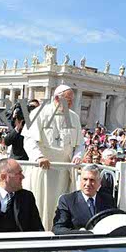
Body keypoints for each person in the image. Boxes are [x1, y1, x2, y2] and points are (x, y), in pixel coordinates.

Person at [23, 85, 84, 228]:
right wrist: (38, 157)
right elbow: (29, 140)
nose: (71, 104)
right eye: (68, 100)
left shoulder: (73, 117)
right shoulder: (39, 113)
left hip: (64, 171)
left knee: (61, 206)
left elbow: (80, 144)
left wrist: (78, 155)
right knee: (42, 205)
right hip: (44, 169)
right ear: (57, 98)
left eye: (72, 100)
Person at [52, 164, 116, 234]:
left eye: (92, 180)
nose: (88, 184)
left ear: (99, 182)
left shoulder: (108, 200)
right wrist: (82, 233)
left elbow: (116, 224)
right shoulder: (67, 200)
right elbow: (58, 228)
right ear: (80, 180)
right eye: (85, 179)